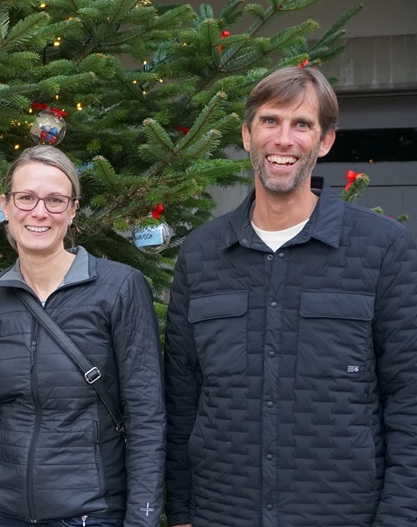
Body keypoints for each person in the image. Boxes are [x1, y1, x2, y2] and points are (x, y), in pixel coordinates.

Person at [164, 66, 417, 527]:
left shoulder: (382, 249)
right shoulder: (201, 254)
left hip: (344, 515)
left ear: (324, 142)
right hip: (222, 513)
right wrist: (180, 512)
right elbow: (182, 399)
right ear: (246, 135)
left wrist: (400, 516)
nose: (284, 139)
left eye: (302, 125)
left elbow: (408, 398)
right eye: (270, 121)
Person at [0, 145, 165, 527]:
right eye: (26, 198)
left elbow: (146, 416)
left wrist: (142, 518)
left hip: (89, 514)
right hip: (1, 512)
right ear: (5, 206)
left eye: (55, 200)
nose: (39, 212)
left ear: (72, 211)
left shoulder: (119, 287)